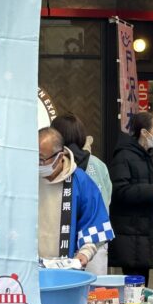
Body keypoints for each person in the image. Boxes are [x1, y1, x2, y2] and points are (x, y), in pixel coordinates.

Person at [15, 126, 113, 304]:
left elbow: (95, 224)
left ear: (60, 156)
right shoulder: (22, 178)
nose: (38, 164)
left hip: (64, 274)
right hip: (26, 270)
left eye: (42, 159)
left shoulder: (79, 181)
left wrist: (83, 256)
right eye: (34, 158)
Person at [108, 112, 153, 284]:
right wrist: (152, 191)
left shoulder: (152, 157)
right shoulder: (123, 156)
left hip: (147, 228)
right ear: (144, 132)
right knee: (133, 283)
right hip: (129, 230)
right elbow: (119, 190)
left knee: (143, 282)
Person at [51, 113, 111, 275]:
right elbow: (106, 203)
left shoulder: (53, 167)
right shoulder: (99, 166)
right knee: (94, 290)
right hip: (94, 244)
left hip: (58, 246)